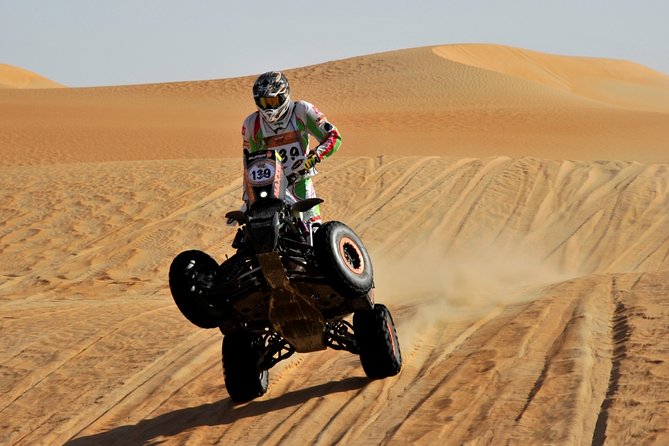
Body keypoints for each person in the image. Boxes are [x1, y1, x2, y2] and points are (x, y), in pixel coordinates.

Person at [241, 71, 341, 225]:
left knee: (314, 230)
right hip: (269, 190)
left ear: (284, 95)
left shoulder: (301, 110)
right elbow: (248, 164)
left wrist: (314, 157)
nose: (268, 107)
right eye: (264, 102)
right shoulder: (251, 124)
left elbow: (333, 136)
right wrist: (247, 198)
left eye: (273, 101)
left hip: (301, 183)